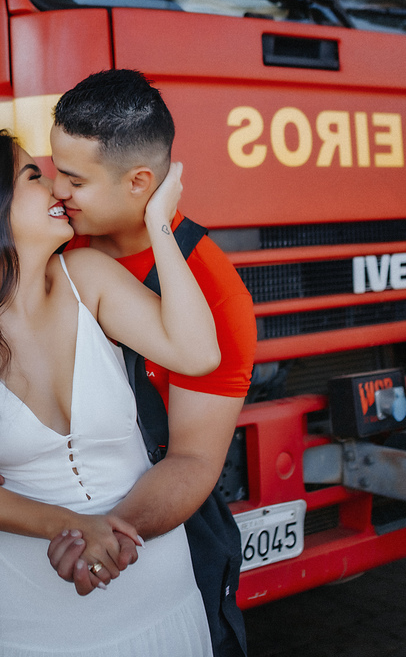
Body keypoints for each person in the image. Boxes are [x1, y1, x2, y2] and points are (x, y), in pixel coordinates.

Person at [0, 130, 221, 655]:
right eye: (32, 176)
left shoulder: (87, 277)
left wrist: (160, 225)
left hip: (159, 592)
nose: (58, 188)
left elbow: (198, 353)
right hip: (26, 614)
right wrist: (75, 529)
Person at [45, 69, 258, 657]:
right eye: (55, 169)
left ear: (141, 181)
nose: (56, 191)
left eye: (74, 178)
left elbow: (192, 461)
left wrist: (105, 537)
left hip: (160, 552)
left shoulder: (216, 296)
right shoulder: (48, 241)